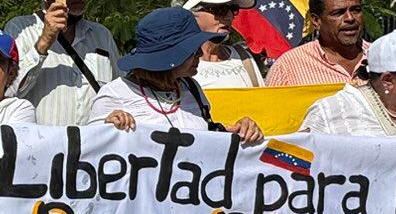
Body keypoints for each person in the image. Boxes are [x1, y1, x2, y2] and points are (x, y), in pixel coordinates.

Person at [90, 9, 266, 142]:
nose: (199, 54)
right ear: (168, 56)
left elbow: (202, 142)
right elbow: (91, 150)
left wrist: (236, 134)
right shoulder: (116, 94)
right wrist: (108, 128)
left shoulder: (192, 88)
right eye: (192, 49)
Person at [6, 0, 118, 125]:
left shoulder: (101, 34)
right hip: (41, 143)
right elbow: (9, 90)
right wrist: (45, 41)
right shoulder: (21, 29)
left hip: (91, 143)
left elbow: (118, 91)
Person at [264, 0, 368, 87]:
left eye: (355, 10)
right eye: (338, 13)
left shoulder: (383, 57)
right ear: (316, 20)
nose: (350, 18)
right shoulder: (287, 68)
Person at [177, 0, 264, 88]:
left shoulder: (243, 57)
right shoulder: (178, 67)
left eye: (233, 9)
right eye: (220, 9)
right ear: (190, 14)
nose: (229, 16)